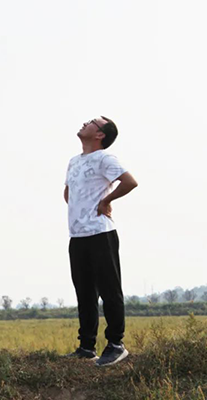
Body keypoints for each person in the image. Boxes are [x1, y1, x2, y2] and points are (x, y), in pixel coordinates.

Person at [64, 116, 138, 367]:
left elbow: (130, 182)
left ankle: (116, 344)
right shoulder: (74, 161)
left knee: (109, 290)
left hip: (101, 233)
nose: (85, 123)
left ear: (100, 135)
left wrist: (106, 201)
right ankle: (86, 347)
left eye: (92, 122)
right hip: (78, 235)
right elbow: (68, 193)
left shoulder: (105, 158)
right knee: (84, 293)